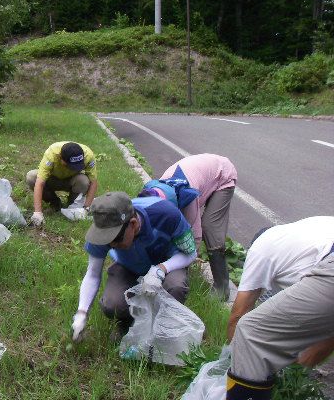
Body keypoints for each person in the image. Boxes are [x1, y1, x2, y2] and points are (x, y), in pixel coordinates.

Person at [225, 216, 334, 399]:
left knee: (250, 332)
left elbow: (238, 314)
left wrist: (234, 357)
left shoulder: (260, 249)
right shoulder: (302, 236)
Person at [71, 191, 196, 342]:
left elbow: (191, 253)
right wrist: (82, 313)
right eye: (107, 241)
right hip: (130, 266)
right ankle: (128, 322)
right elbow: (92, 273)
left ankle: (161, 328)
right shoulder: (103, 227)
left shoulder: (167, 215)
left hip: (168, 265)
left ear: (133, 224)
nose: (112, 245)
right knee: (112, 304)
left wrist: (161, 269)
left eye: (116, 239)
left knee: (176, 286)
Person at [140, 153, 237, 299]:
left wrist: (180, 265)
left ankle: (222, 288)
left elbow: (195, 238)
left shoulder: (186, 197)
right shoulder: (154, 192)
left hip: (222, 174)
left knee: (210, 227)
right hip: (202, 171)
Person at [26, 142, 98, 226]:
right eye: (70, 165)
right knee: (31, 177)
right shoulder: (51, 154)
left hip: (72, 180)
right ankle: (55, 203)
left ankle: (73, 206)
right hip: (52, 179)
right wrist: (37, 212)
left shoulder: (88, 156)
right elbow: (40, 182)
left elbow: (93, 182)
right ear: (60, 157)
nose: (72, 168)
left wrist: (86, 208)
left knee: (84, 181)